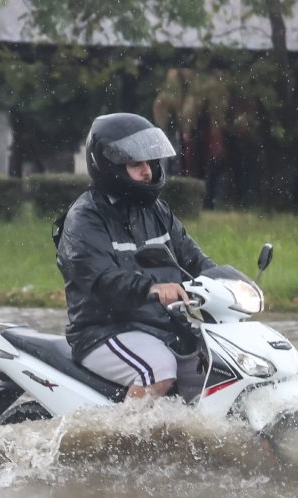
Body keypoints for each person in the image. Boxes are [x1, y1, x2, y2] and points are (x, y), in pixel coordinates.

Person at [56, 113, 216, 399]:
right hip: (102, 332)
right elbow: (102, 280)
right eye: (135, 164)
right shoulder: (85, 218)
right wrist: (152, 288)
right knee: (157, 370)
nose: (147, 172)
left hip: (161, 327)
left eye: (149, 163)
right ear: (108, 166)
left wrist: (223, 282)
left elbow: (193, 258)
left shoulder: (156, 211)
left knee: (212, 368)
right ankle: (128, 441)